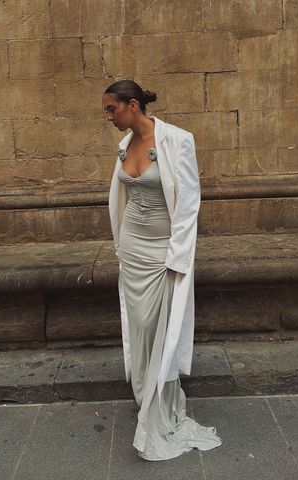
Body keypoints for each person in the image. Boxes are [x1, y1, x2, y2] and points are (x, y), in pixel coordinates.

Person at [103, 79, 222, 461]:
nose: (108, 116)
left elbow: (189, 202)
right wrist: (121, 246)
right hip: (133, 250)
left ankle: (162, 408)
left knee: (162, 332)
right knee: (140, 328)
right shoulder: (124, 145)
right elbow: (122, 196)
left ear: (132, 105)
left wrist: (178, 257)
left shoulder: (176, 140)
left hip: (162, 253)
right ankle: (145, 397)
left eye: (112, 109)